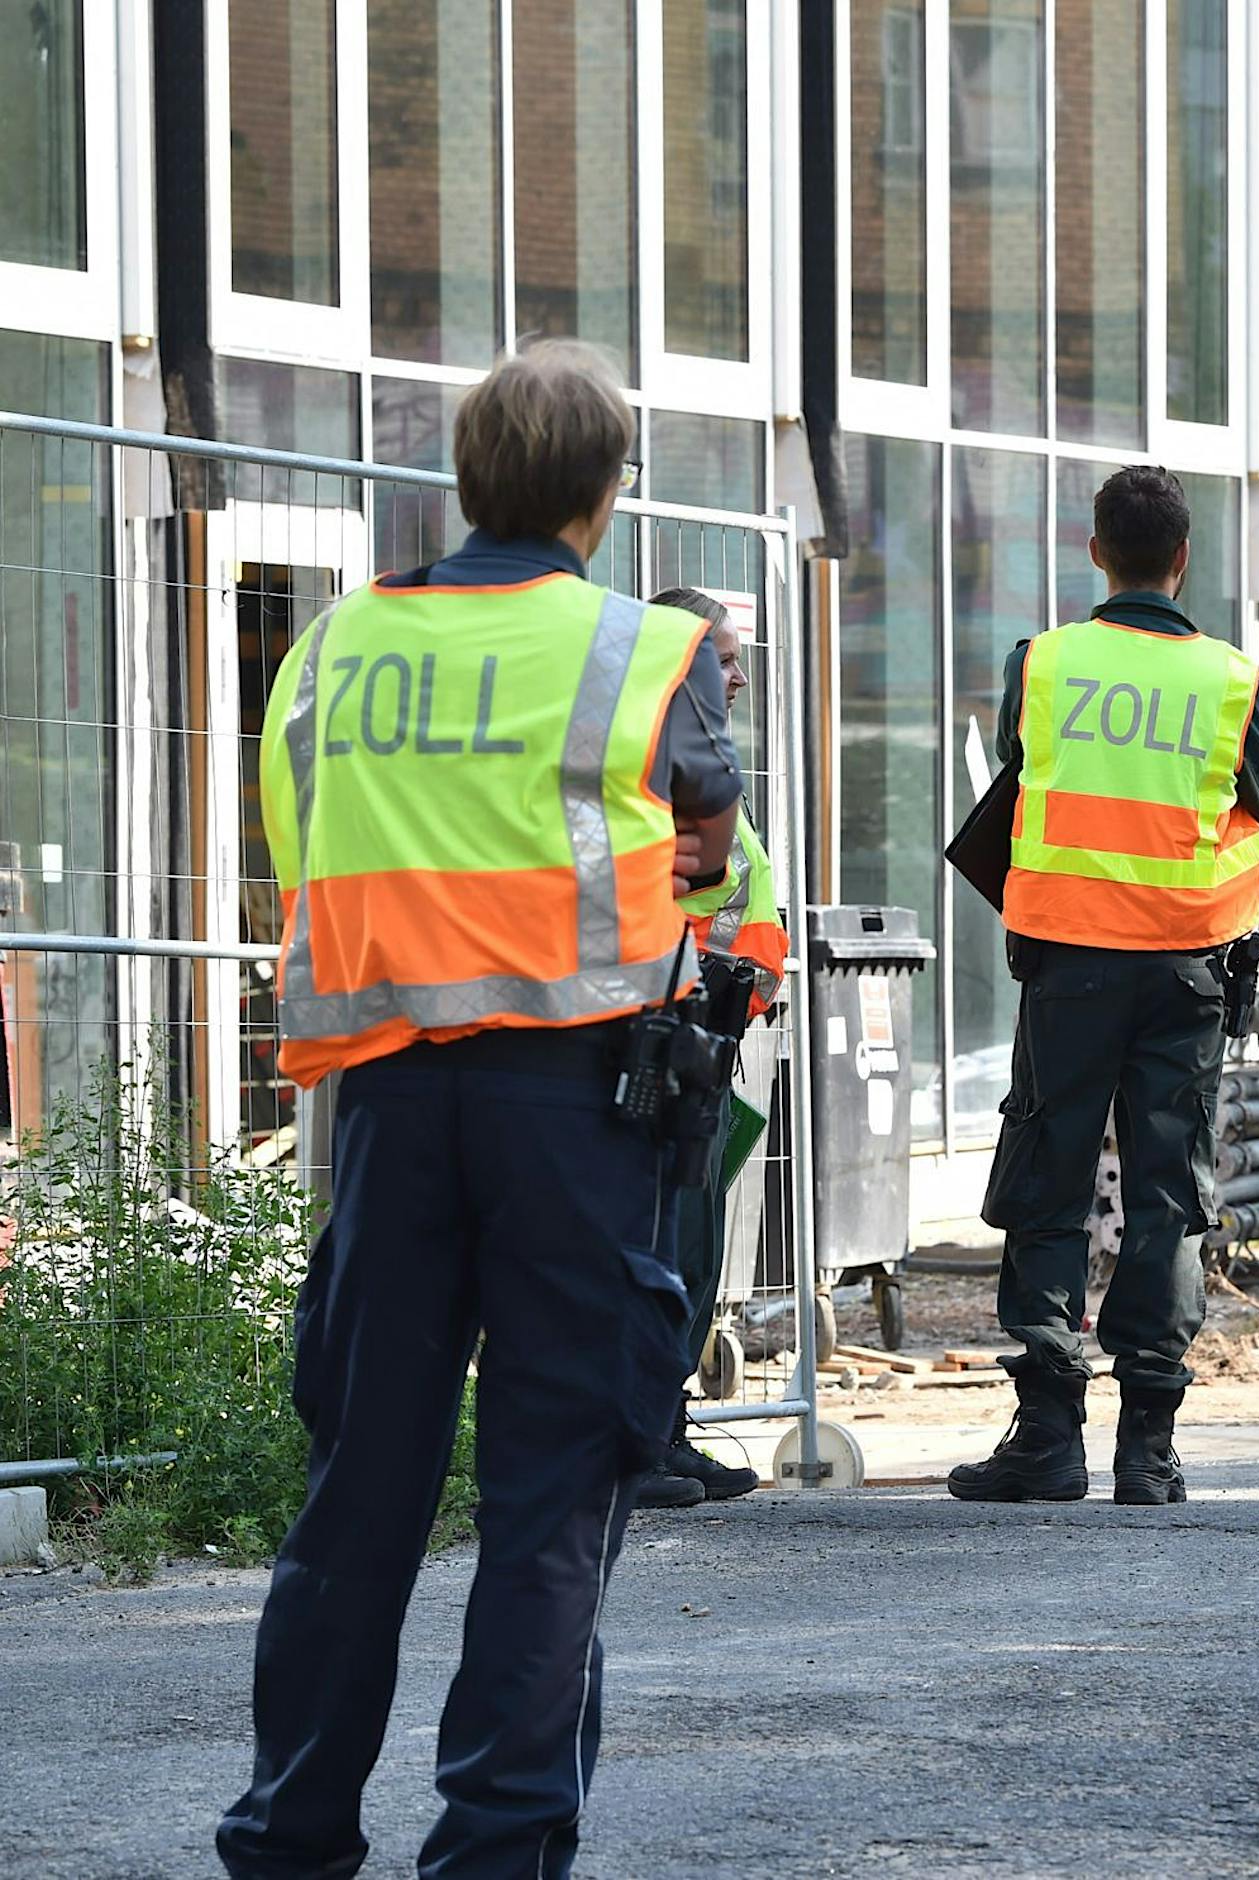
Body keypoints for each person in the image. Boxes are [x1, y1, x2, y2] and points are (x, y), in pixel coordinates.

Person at [218, 340, 743, 1880]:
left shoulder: (331, 649)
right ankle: (498, 1848)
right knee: (549, 1499)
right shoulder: (637, 647)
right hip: (574, 1114)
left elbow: (305, 847)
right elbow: (702, 811)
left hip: (384, 1112)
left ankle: (292, 1832)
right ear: (603, 492)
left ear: (467, 482)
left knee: (360, 1496)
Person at [948, 464, 1259, 1508]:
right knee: (1165, 1194)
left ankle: (1046, 1436)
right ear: (1181, 559)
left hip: (1068, 968)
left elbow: (1020, 764)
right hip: (1185, 971)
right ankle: (1149, 1446)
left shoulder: (1042, 663)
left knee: (1048, 1178)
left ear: (1093, 550)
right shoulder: (1229, 679)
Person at [638, 586, 789, 1509]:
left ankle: (665, 1426)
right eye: (724, 659)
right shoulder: (656, 769)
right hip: (660, 1036)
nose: (737, 677)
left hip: (706, 1039)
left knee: (690, 1249)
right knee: (662, 1245)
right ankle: (641, 1439)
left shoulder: (697, 763)